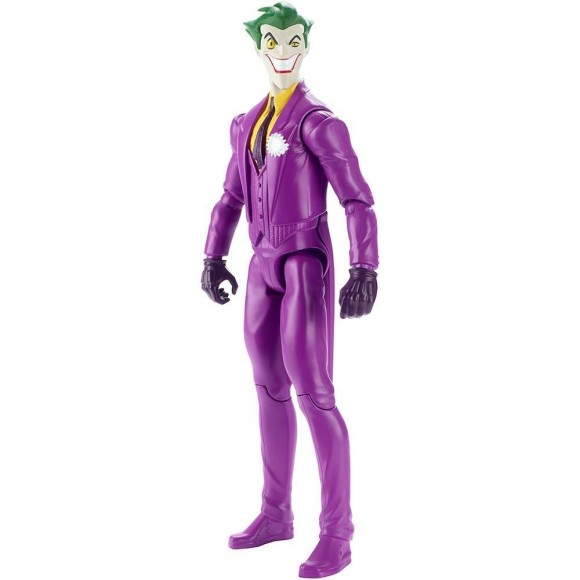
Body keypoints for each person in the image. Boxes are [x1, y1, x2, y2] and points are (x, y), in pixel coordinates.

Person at [201, 3, 379, 577]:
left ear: (306, 45)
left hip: (305, 262)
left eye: (294, 40)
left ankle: (338, 533)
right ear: (259, 48)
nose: (284, 51)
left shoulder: (319, 123)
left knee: (315, 394)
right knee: (268, 388)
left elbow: (356, 198)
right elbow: (230, 198)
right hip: (261, 266)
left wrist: (365, 267)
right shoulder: (245, 124)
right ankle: (276, 512)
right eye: (273, 42)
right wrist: (212, 255)